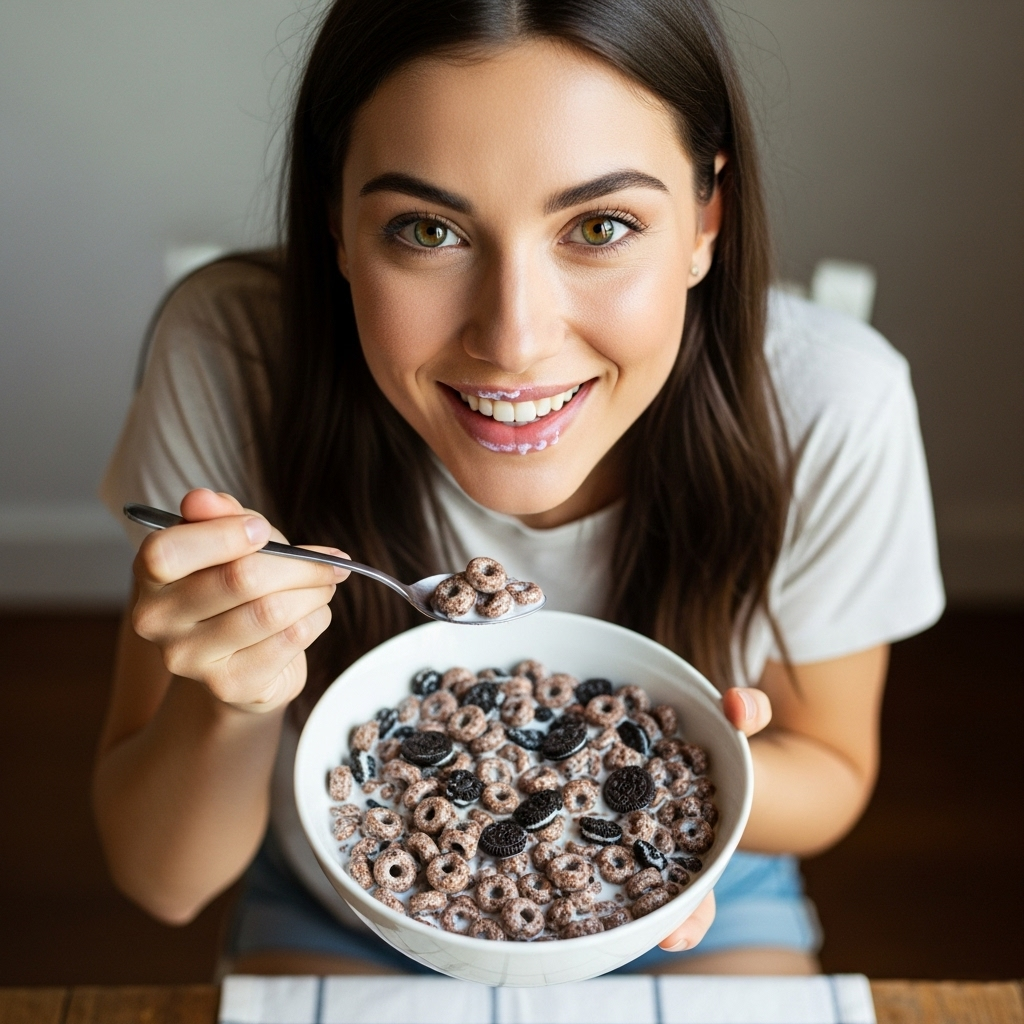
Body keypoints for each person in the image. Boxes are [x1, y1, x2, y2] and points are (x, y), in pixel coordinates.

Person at [93, 0, 943, 977]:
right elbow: (162, 879)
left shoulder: (830, 401)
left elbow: (831, 773)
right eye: (425, 228)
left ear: (709, 216)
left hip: (700, 877)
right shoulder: (233, 358)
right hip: (345, 892)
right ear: (335, 221)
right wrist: (233, 697)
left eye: (602, 224)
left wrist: (682, 769)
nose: (514, 338)